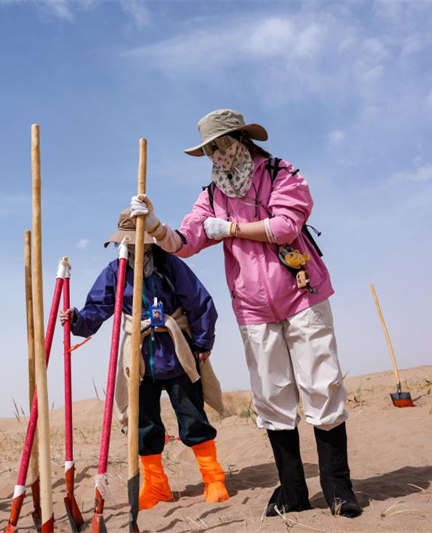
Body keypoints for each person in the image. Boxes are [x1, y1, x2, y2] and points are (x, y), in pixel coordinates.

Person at [130, 109, 362, 518]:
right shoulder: (211, 196)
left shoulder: (280, 173)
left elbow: (286, 226)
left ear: (241, 139)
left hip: (301, 295)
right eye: (209, 150)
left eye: (221, 145)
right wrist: (155, 226)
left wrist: (232, 230)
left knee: (321, 386)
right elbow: (185, 242)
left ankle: (338, 488)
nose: (216, 155)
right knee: (271, 394)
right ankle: (293, 491)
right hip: (253, 307)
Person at [60, 208, 229, 509]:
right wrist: (76, 319)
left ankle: (213, 478)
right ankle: (156, 486)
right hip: (139, 361)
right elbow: (96, 309)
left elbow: (200, 302)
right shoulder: (115, 271)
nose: (133, 246)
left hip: (177, 354)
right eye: (127, 241)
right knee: (145, 426)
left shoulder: (170, 264)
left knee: (193, 419)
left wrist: (203, 342)